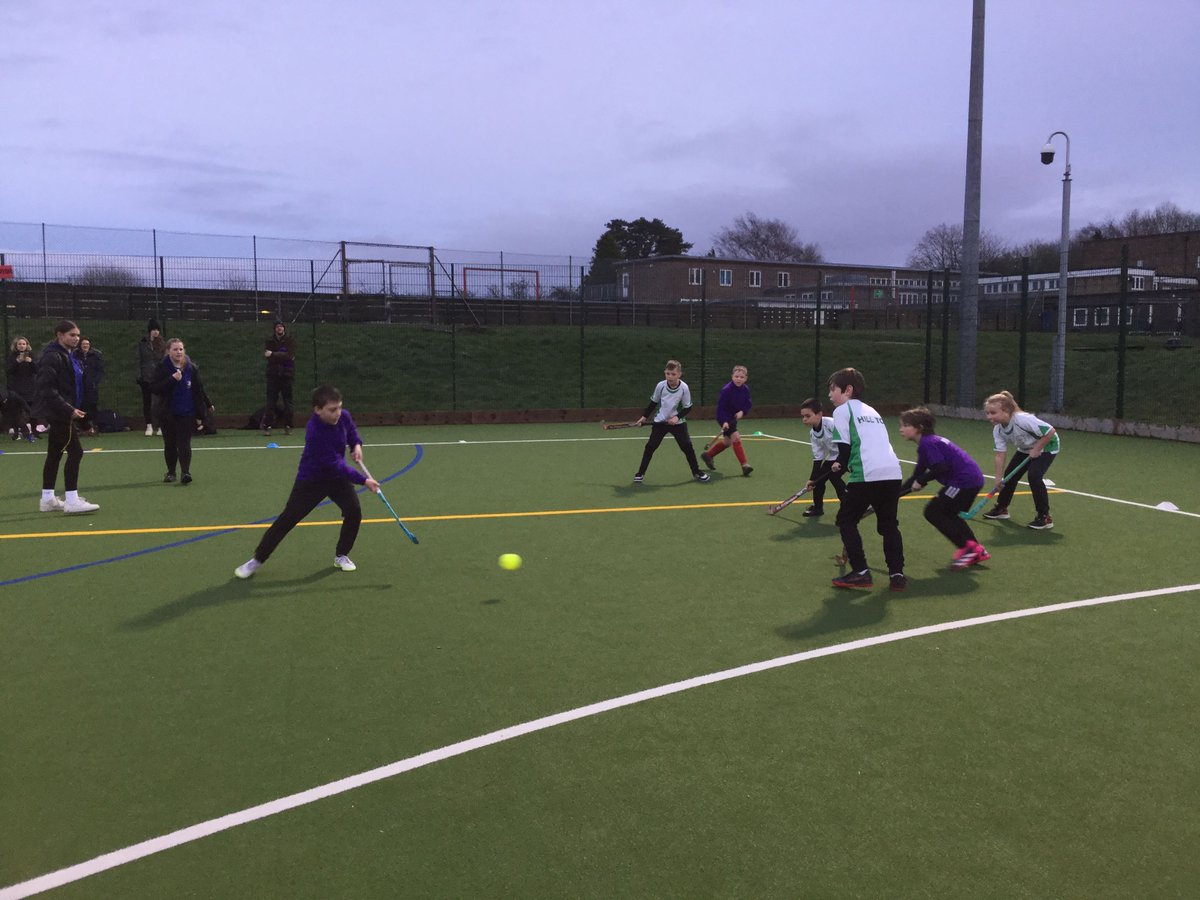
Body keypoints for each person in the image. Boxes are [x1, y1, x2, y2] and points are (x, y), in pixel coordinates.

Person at [235, 384, 380, 579]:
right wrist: (364, 480)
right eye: (332, 410)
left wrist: (356, 446)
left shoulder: (343, 416)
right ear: (318, 410)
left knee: (353, 512)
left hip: (336, 479)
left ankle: (341, 555)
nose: (338, 413)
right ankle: (256, 560)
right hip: (312, 480)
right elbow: (335, 464)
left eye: (339, 407)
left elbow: (352, 433)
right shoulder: (314, 431)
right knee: (288, 519)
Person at [826, 367, 905, 591]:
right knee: (889, 525)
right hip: (892, 473)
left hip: (867, 474)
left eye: (833, 390)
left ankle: (860, 571)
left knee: (845, 520)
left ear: (848, 390)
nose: (830, 395)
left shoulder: (842, 411)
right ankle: (897, 575)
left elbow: (844, 452)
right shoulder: (873, 411)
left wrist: (833, 471)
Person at [898, 407, 990, 569]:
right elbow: (916, 475)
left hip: (963, 482)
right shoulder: (927, 443)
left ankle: (969, 549)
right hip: (970, 480)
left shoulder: (928, 443)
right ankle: (977, 550)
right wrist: (894, 494)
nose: (901, 429)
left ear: (919, 428)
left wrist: (922, 480)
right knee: (949, 513)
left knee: (933, 511)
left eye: (906, 425)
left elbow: (941, 468)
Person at [33, 320, 99, 514]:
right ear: (59, 335)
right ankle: (71, 499)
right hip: (59, 413)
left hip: (63, 411)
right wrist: (68, 409)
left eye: (78, 335)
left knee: (55, 453)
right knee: (76, 452)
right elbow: (47, 389)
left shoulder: (68, 355)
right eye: (72, 335)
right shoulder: (52, 357)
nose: (76, 338)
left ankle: (47, 499)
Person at [982, 390, 1060, 530]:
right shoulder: (998, 430)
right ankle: (1002, 508)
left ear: (1006, 411)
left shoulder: (1022, 420)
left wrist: (1037, 449)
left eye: (993, 413)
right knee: (1009, 476)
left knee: (1034, 476)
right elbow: (1000, 454)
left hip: (1048, 445)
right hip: (1025, 448)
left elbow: (1050, 432)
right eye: (987, 413)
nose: (989, 417)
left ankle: (1044, 517)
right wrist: (998, 478)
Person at [632, 360, 710, 484]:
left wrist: (677, 417)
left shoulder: (684, 388)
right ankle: (640, 473)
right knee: (650, 447)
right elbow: (653, 402)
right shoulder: (661, 386)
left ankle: (697, 472)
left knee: (687, 447)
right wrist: (644, 417)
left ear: (679, 374)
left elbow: (688, 407)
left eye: (673, 374)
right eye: (668, 374)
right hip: (660, 422)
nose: (670, 377)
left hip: (678, 424)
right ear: (665, 373)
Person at [151, 338, 214, 485]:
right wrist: (172, 379)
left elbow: (198, 388)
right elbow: (155, 388)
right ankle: (171, 472)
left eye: (181, 349)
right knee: (170, 443)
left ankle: (185, 472)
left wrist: (207, 404)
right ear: (168, 351)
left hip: (187, 411)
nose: (179, 352)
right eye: (175, 349)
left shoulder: (190, 367)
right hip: (168, 412)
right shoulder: (162, 367)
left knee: (184, 443)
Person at [700, 364, 753, 476]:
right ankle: (745, 465)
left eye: (741, 377)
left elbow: (748, 403)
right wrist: (724, 421)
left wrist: (742, 412)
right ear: (732, 376)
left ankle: (708, 455)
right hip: (723, 417)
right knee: (736, 437)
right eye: (736, 376)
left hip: (733, 417)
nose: (739, 379)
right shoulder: (726, 390)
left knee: (727, 442)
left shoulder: (745, 389)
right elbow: (721, 409)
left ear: (745, 378)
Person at [797, 397, 846, 517]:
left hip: (849, 453)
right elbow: (818, 458)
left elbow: (845, 443)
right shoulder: (813, 434)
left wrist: (840, 461)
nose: (804, 419)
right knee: (819, 480)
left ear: (819, 414)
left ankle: (848, 507)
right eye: (803, 416)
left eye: (808, 416)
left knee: (834, 477)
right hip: (834, 455)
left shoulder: (832, 424)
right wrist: (812, 479)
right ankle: (818, 508)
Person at [262, 320, 297, 436]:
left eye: (281, 326)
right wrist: (277, 356)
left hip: (287, 375)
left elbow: (289, 356)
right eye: (278, 327)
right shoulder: (270, 340)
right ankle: (267, 425)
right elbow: (267, 355)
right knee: (271, 402)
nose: (280, 328)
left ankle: (288, 425)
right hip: (273, 375)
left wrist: (273, 354)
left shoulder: (289, 340)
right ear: (275, 329)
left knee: (288, 402)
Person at [136, 319, 166, 436]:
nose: (156, 332)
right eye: (154, 329)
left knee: (159, 402)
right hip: (146, 376)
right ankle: (149, 425)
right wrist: (139, 375)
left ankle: (159, 426)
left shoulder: (162, 344)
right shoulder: (142, 343)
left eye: (157, 330)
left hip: (158, 377)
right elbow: (138, 360)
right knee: (147, 402)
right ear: (149, 331)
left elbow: (164, 360)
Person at [6, 335, 40, 437]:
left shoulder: (31, 356)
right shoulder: (12, 356)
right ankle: (16, 432)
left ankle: (34, 431)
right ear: (16, 346)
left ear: (27, 345)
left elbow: (37, 370)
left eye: (24, 344)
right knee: (16, 410)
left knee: (33, 410)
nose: (22, 346)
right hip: (16, 387)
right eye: (19, 344)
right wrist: (18, 361)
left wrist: (31, 362)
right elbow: (8, 370)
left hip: (30, 387)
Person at [75, 337, 105, 425]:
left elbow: (100, 370)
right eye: (84, 344)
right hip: (80, 385)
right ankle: (81, 425)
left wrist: (95, 382)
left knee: (92, 404)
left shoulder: (95, 356)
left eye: (87, 344)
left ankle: (93, 425)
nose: (85, 346)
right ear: (80, 345)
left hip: (91, 385)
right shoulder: (76, 355)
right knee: (80, 405)